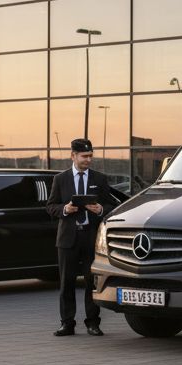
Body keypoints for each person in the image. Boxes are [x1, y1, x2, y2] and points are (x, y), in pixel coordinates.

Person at [47, 138, 115, 337]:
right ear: (73, 156)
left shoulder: (99, 179)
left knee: (91, 281)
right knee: (66, 282)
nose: (88, 160)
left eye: (90, 156)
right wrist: (65, 209)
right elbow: (50, 206)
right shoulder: (60, 179)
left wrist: (101, 209)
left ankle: (93, 323)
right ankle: (67, 323)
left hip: (91, 238)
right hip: (68, 239)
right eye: (84, 156)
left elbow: (111, 205)